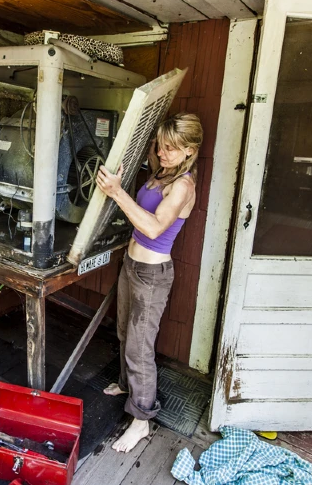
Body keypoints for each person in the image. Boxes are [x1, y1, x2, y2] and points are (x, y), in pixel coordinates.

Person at [95, 112, 202, 453]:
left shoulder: (183, 185)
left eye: (173, 148)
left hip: (152, 276)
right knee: (126, 333)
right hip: (131, 265)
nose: (163, 152)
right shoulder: (160, 172)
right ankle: (129, 387)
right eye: (161, 145)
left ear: (190, 150)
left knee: (139, 349)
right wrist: (122, 181)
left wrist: (116, 193)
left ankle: (141, 421)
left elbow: (154, 227)